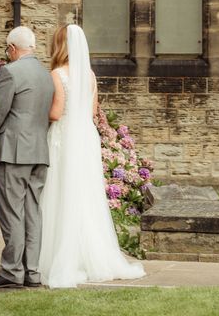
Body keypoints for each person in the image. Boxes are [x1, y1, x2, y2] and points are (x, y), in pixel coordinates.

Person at [38, 25, 145, 288]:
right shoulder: (89, 75)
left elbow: (55, 113)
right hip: (85, 137)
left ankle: (60, 258)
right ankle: (94, 257)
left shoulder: (57, 74)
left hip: (64, 136)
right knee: (85, 193)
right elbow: (92, 111)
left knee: (61, 192)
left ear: (59, 46)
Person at [0, 26, 54, 289]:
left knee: (11, 212)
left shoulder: (10, 71)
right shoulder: (46, 75)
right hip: (39, 152)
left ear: (12, 48)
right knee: (33, 212)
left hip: (13, 151)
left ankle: (11, 271)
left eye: (6, 49)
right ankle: (32, 272)